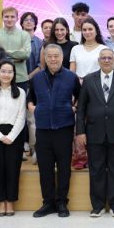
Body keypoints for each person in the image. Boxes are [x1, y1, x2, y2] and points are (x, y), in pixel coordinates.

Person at [75, 48, 114, 217]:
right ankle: (98, 205)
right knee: (96, 171)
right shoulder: (88, 79)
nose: (106, 60)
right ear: (99, 60)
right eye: (103, 58)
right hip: (94, 133)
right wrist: (80, 131)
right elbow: (81, 109)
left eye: (109, 58)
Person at [29, 44, 81, 218]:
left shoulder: (71, 77)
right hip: (43, 129)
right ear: (44, 58)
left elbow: (80, 97)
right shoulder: (36, 78)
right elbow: (30, 99)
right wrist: (33, 108)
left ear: (61, 57)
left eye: (56, 56)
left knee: (64, 167)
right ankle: (48, 202)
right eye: (49, 56)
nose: (53, 59)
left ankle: (61, 202)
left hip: (64, 128)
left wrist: (73, 108)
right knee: (45, 168)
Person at [0, 60, 26, 216]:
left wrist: (11, 136)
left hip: (15, 134)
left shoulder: (20, 92)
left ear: (14, 74)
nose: (6, 75)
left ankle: (11, 202)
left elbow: (21, 116)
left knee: (13, 169)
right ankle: (1, 202)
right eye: (3, 71)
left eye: (10, 72)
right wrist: (0, 136)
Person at [70, 18, 106, 170]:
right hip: (78, 88)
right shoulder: (76, 49)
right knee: (79, 122)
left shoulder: (103, 49)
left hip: (98, 89)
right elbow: (72, 72)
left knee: (96, 122)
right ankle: (80, 157)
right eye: (84, 30)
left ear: (96, 30)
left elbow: (106, 70)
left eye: (90, 29)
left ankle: (95, 157)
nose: (87, 32)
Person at [20, 12, 43, 80]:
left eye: (31, 20)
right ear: (22, 24)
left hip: (35, 79)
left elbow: (41, 64)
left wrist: (29, 76)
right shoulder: (16, 40)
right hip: (17, 79)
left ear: (35, 24)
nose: (29, 22)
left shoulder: (40, 43)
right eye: (26, 20)